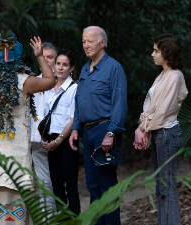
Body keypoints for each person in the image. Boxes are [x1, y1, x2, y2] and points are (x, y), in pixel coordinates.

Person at [0, 31, 55, 225]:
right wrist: (40, 56)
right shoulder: (23, 81)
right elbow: (50, 80)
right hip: (13, 162)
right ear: (16, 58)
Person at [69, 26, 127, 225]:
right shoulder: (85, 68)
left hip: (105, 129)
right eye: (84, 41)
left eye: (90, 41)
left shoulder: (114, 67)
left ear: (102, 42)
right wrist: (75, 127)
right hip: (88, 131)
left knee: (107, 185)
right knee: (92, 185)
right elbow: (79, 102)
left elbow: (120, 103)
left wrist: (111, 132)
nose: (86, 45)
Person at [133, 33, 188, 225]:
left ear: (167, 52)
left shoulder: (175, 76)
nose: (152, 54)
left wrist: (143, 129)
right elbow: (151, 108)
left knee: (167, 186)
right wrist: (142, 128)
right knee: (161, 186)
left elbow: (163, 111)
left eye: (156, 50)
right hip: (159, 133)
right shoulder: (163, 74)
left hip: (166, 133)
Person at [41, 49, 80, 215]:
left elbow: (74, 118)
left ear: (71, 68)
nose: (60, 68)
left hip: (67, 140)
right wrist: (46, 138)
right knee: (56, 186)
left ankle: (74, 220)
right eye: (58, 64)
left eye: (65, 65)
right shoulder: (48, 87)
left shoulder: (74, 88)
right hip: (50, 140)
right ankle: (62, 219)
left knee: (70, 186)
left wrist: (58, 140)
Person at [30, 42, 57, 211]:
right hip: (34, 140)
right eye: (43, 56)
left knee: (52, 182)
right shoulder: (34, 82)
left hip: (56, 139)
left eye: (50, 57)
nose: (47, 61)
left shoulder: (62, 82)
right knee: (39, 183)